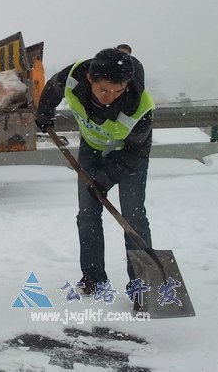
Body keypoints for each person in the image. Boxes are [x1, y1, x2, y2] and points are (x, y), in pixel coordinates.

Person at [36, 48, 154, 300]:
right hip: (91, 149)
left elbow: (136, 152)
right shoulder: (74, 77)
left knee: (133, 217)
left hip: (129, 157)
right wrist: (44, 113)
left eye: (118, 91)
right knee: (88, 214)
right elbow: (53, 89)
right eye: (103, 90)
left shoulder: (140, 106)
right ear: (90, 79)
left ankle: (141, 286)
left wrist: (106, 179)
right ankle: (93, 277)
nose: (110, 98)